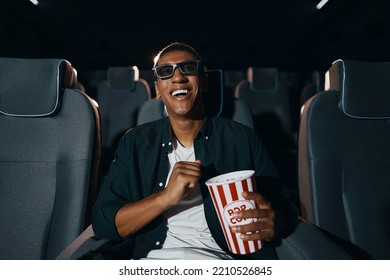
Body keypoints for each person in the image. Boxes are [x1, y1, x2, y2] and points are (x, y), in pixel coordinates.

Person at [91, 42, 298, 260]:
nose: (178, 77)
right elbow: (103, 222)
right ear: (157, 89)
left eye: (188, 68)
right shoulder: (135, 142)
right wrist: (165, 198)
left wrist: (274, 221)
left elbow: (285, 209)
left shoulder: (242, 138)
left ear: (205, 81)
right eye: (165, 72)